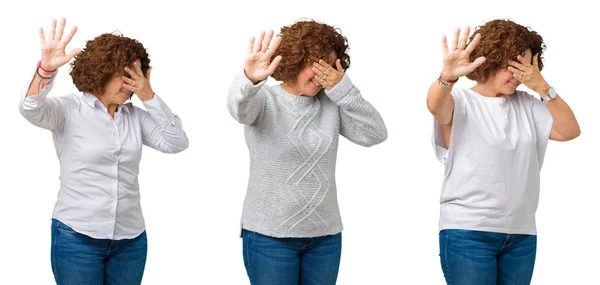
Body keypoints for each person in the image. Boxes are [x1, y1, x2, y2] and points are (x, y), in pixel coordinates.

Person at [19, 18, 189, 285]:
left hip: (130, 241)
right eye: (124, 75)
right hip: (77, 238)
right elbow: (30, 108)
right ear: (101, 72)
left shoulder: (135, 117)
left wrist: (148, 95)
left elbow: (177, 142)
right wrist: (45, 71)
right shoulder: (69, 110)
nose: (129, 84)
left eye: (136, 76)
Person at [227, 19, 387, 285]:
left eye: (330, 65)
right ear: (295, 61)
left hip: (325, 237)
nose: (322, 73)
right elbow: (238, 108)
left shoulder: (332, 104)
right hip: (270, 237)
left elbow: (375, 134)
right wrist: (249, 79)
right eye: (316, 64)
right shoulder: (264, 100)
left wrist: (343, 89)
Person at [427, 19, 580, 284]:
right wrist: (447, 78)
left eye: (527, 67)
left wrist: (543, 87)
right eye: (514, 65)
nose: (519, 75)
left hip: (520, 235)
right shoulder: (462, 102)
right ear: (491, 60)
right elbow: (435, 104)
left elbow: (569, 131)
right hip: (468, 232)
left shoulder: (528, 105)